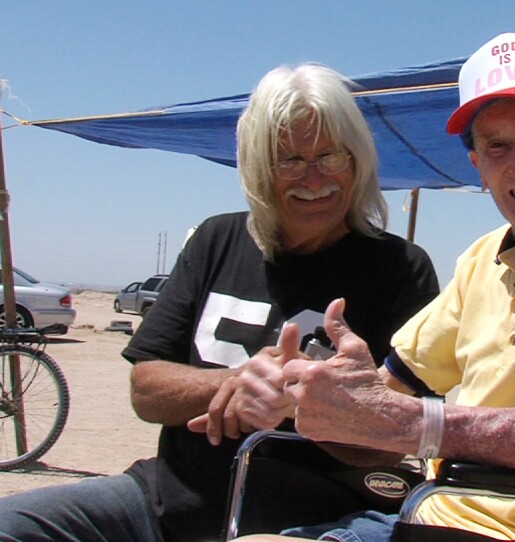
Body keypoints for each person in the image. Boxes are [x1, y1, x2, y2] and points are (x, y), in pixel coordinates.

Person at [231, 32, 515, 542]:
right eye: (497, 144)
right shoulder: (483, 258)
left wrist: (415, 425)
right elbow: (385, 400)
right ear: (478, 166)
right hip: (433, 514)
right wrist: (297, 390)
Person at [0, 63, 439, 542]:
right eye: (288, 160)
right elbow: (145, 388)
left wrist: (310, 403)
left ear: (358, 160)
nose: (314, 179)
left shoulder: (401, 269)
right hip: (165, 504)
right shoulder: (218, 238)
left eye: (331, 155)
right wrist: (234, 383)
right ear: (255, 168)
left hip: (320, 519)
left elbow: (394, 446)